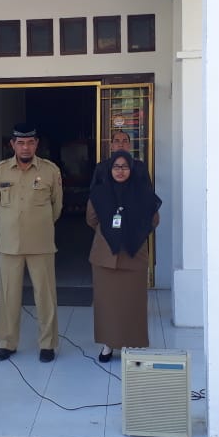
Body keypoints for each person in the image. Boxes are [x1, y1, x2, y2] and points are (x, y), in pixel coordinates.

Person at [0, 123, 63, 363]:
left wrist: (36, 223)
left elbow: (56, 207)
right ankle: (7, 343)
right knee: (8, 296)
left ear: (36, 144)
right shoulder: (0, 171)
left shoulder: (50, 171)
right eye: (20, 142)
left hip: (41, 243)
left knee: (45, 296)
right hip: (10, 245)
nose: (25, 147)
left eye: (30, 142)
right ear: (12, 144)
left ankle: (48, 344)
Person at [86, 150, 161, 362]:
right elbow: (91, 219)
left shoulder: (143, 192)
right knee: (107, 304)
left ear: (132, 168)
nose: (120, 171)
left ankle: (134, 344)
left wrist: (133, 232)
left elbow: (154, 219)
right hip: (105, 256)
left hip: (133, 255)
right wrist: (111, 233)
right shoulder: (99, 192)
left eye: (125, 167)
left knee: (133, 304)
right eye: (116, 167)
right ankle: (108, 346)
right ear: (110, 170)